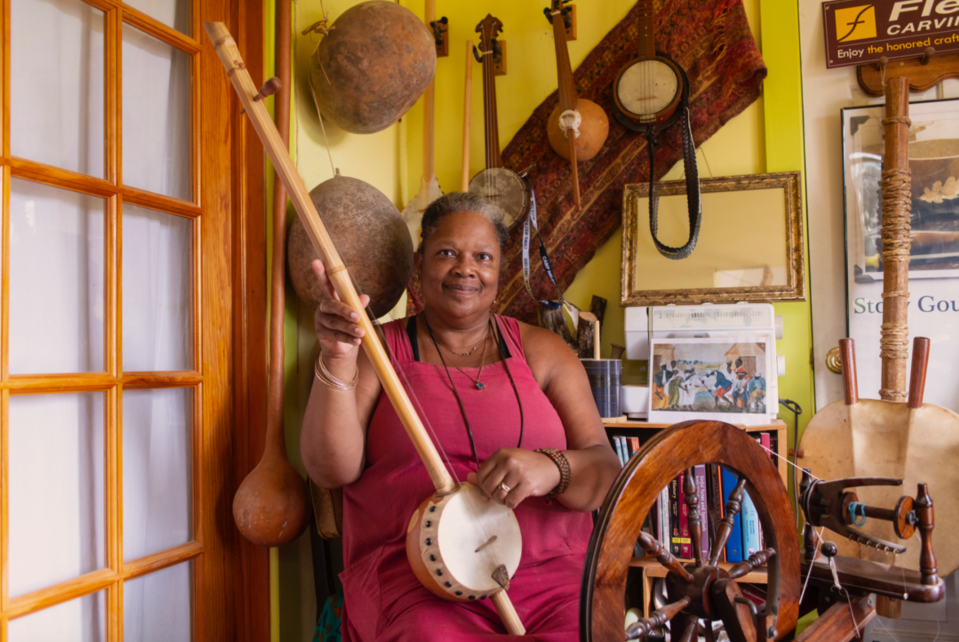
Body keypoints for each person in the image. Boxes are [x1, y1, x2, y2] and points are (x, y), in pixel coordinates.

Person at [301, 192, 622, 642]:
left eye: (482, 256)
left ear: (498, 271)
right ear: (420, 264)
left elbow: (606, 470)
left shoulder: (543, 351)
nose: (465, 268)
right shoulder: (375, 350)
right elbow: (330, 470)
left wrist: (552, 467)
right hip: (418, 580)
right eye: (447, 253)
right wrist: (337, 357)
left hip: (549, 577)